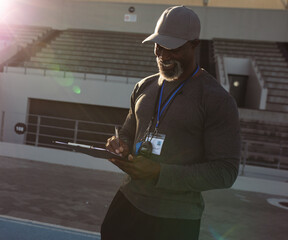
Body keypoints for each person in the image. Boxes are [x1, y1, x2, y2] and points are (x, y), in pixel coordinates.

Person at [101, 5, 241, 240]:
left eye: (172, 48)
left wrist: (159, 172)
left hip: (175, 220)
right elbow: (127, 131)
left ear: (194, 44)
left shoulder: (217, 100)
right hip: (127, 203)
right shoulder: (143, 86)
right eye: (158, 46)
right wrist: (120, 144)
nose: (163, 55)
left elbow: (225, 172)